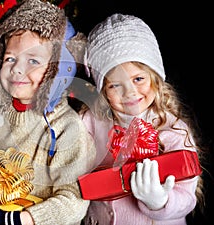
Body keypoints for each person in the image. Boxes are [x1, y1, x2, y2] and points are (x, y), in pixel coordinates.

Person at [0, 0, 96, 225]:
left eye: (33, 60)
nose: (17, 68)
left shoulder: (67, 128)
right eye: (10, 59)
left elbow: (73, 199)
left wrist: (19, 220)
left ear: (58, 69)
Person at [80, 13, 205, 225]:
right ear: (102, 90)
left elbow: (187, 197)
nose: (130, 92)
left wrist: (160, 201)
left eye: (138, 79)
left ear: (155, 78)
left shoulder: (173, 129)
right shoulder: (91, 122)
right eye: (115, 85)